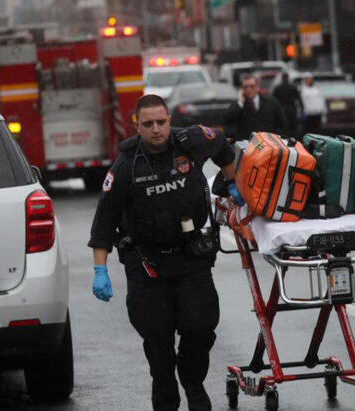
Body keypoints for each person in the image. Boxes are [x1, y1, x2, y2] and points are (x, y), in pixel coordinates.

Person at [88, 94, 240, 411]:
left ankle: (193, 380)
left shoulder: (192, 142)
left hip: (190, 256)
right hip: (147, 263)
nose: (156, 129)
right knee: (157, 341)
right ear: (137, 126)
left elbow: (224, 146)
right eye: (148, 124)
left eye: (161, 122)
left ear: (169, 120)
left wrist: (231, 183)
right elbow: (104, 222)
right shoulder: (126, 166)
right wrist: (99, 270)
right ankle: (166, 394)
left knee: (200, 326)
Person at [223, 73, 286, 141]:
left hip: (269, 144)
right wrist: (240, 101)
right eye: (245, 87)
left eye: (251, 86)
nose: (249, 89)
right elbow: (228, 119)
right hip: (247, 146)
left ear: (257, 87)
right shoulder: (239, 104)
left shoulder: (271, 102)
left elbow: (281, 123)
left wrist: (276, 139)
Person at [273, 71, 302, 137]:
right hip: (291, 108)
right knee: (293, 126)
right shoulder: (293, 87)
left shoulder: (278, 88)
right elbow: (299, 99)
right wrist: (301, 109)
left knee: (285, 127)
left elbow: (274, 100)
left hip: (282, 109)